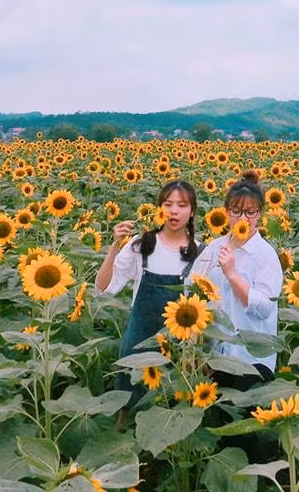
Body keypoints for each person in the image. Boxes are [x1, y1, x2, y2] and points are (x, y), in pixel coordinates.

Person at [95, 179, 200, 420]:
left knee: (168, 414)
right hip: (137, 343)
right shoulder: (140, 245)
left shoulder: (200, 253)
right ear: (159, 208)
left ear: (192, 211)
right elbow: (103, 289)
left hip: (178, 345)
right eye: (168, 204)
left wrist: (194, 354)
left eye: (182, 205)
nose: (174, 211)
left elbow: (205, 307)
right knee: (127, 408)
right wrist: (114, 246)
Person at [190, 171, 283, 390]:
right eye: (236, 211)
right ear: (226, 212)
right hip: (216, 359)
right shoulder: (214, 249)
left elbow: (263, 308)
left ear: (259, 214)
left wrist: (232, 274)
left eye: (250, 212)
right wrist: (200, 353)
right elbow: (200, 298)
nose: (243, 219)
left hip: (251, 360)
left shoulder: (265, 255)